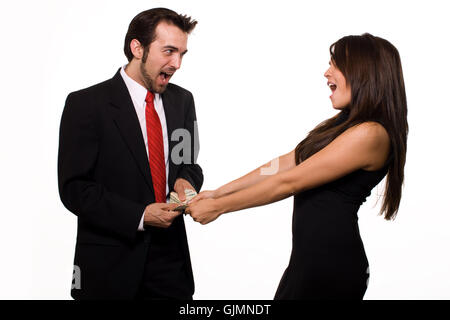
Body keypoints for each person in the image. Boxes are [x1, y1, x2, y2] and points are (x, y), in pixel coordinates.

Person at [187, 33, 408, 300]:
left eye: (335, 65)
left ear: (364, 72)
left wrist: (220, 207)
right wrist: (219, 193)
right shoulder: (343, 124)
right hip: (307, 263)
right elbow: (282, 165)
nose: (327, 72)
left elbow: (290, 181)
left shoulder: (371, 134)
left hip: (332, 267)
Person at [58, 8, 203, 300]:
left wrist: (184, 183)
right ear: (137, 48)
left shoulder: (182, 101)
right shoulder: (85, 105)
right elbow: (74, 189)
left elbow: (188, 163)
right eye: (169, 51)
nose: (177, 64)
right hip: (108, 268)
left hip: (171, 269)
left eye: (182, 54)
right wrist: (140, 215)